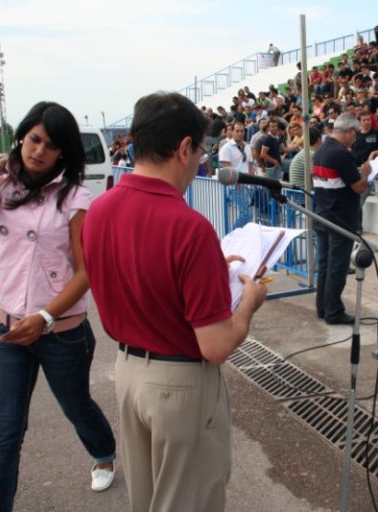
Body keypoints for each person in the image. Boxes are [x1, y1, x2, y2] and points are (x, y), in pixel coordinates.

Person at [82, 92, 267, 512]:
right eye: (200, 151)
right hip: (179, 385)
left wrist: (205, 268)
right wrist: (249, 301)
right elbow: (217, 345)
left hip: (128, 373)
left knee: (148, 501)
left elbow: (137, 273)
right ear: (184, 148)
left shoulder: (99, 210)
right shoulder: (189, 228)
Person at [0, 102, 117, 511]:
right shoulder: (5, 188)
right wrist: (1, 165)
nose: (39, 150)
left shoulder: (75, 198)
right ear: (22, 136)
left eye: (51, 145)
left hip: (60, 332)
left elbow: (86, 272)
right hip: (5, 329)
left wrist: (45, 317)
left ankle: (103, 451)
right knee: (3, 433)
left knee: (75, 405)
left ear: (63, 153)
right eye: (34, 139)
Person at [313, 113, 370, 325]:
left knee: (325, 265)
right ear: (350, 131)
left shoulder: (320, 151)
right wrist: (365, 173)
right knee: (337, 267)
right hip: (340, 219)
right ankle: (334, 312)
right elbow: (359, 187)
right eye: (354, 135)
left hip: (323, 215)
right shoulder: (340, 153)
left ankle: (323, 307)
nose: (354, 140)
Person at [219, 121, 254, 229]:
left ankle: (240, 239)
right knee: (246, 214)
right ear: (232, 132)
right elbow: (227, 169)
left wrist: (254, 182)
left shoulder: (247, 147)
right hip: (236, 186)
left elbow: (250, 166)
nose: (239, 133)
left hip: (248, 185)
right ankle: (232, 237)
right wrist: (237, 182)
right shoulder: (226, 148)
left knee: (249, 216)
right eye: (237, 131)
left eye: (242, 131)